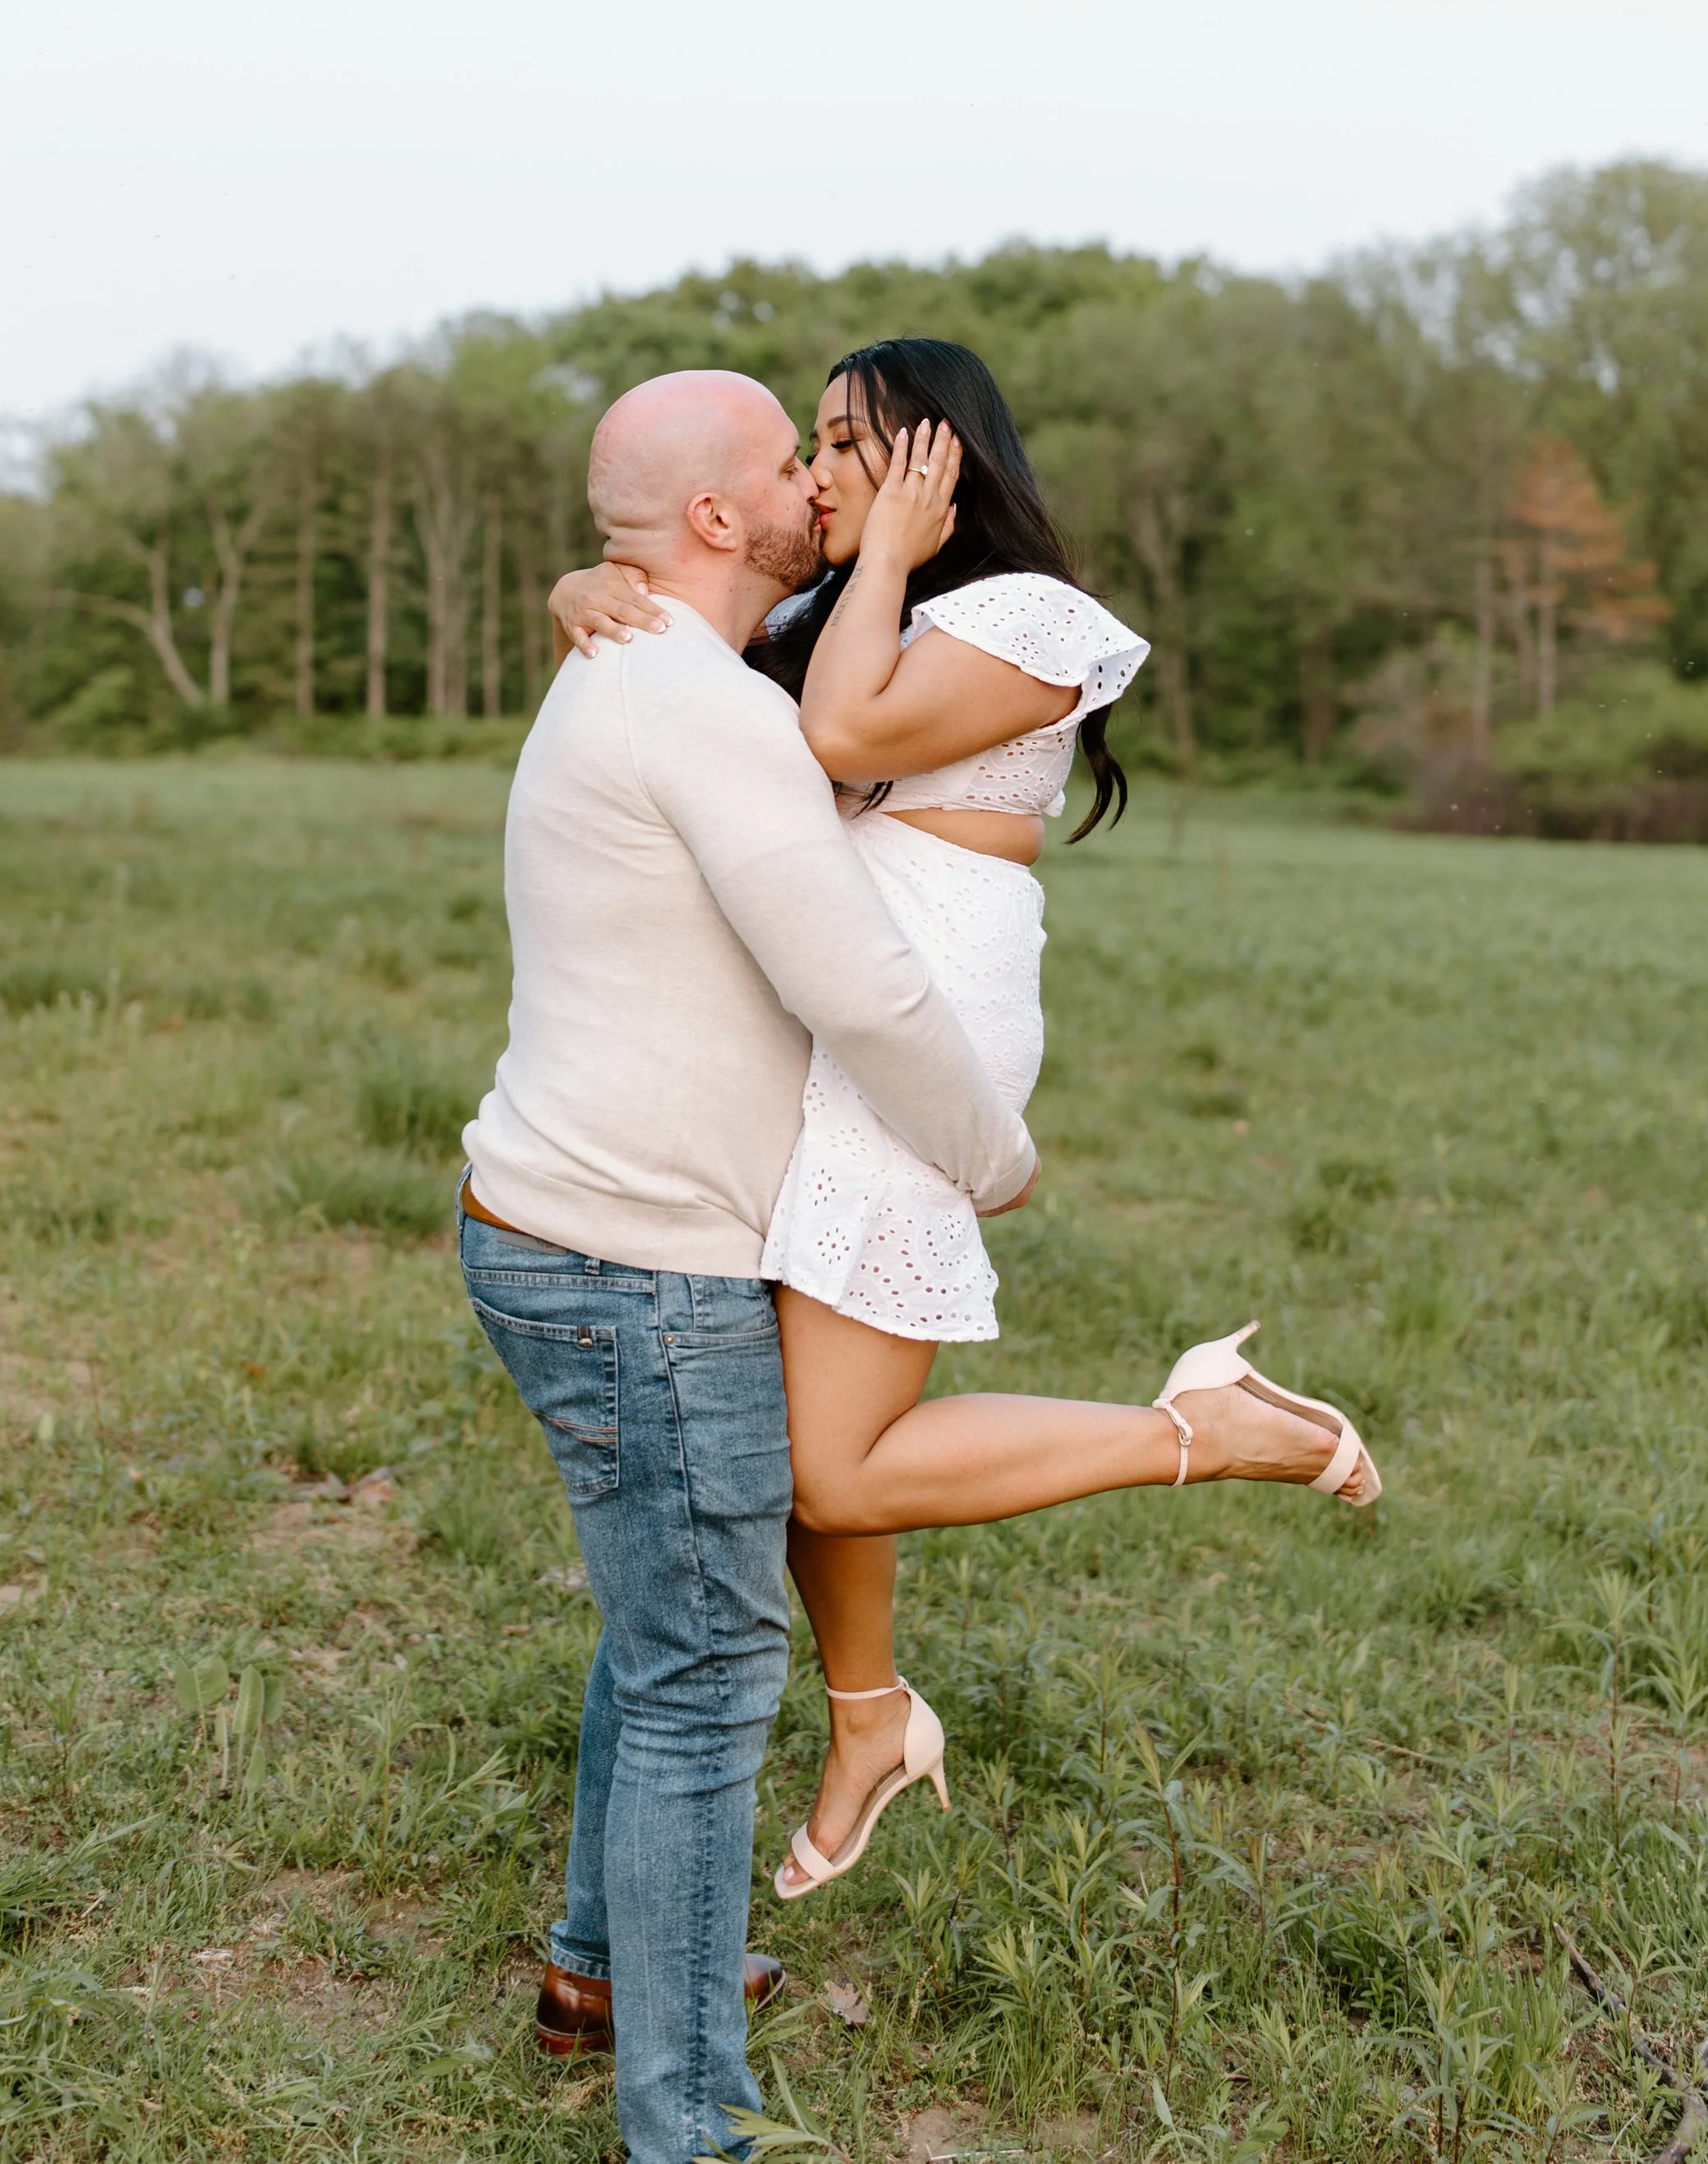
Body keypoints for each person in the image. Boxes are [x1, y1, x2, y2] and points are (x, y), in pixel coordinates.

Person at [550, 337, 1379, 1907]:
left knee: (831, 1468)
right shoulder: (852, 607)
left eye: (850, 443)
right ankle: (866, 1716)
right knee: (811, 1440)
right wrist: (584, 589)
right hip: (835, 1026)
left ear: (939, 460)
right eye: (808, 443)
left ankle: (1207, 1428)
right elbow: (690, 648)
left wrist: (887, 562)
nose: (818, 472)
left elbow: (840, 739)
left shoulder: (1027, 617)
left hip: (923, 1013)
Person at [458, 368, 1039, 2164]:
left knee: (663, 1635)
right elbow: (857, 979)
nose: (814, 482)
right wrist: (989, 1152)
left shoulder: (641, 660)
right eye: (790, 461)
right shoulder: (694, 703)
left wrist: (593, 574)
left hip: (548, 1230)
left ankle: (598, 1976)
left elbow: (815, 640)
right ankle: (688, 2125)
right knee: (710, 1673)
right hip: (635, 1267)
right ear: (716, 522)